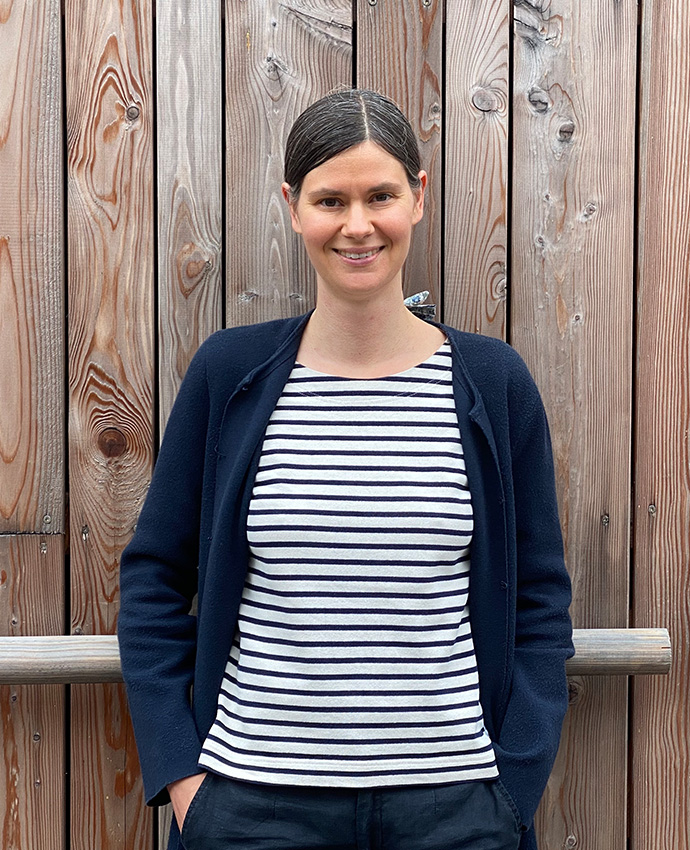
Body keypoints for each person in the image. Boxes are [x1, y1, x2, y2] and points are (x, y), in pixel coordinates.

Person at [118, 88, 573, 850]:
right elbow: (154, 577)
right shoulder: (229, 376)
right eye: (331, 200)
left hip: (455, 814)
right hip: (253, 809)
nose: (357, 225)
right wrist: (186, 783)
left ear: (418, 197)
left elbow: (539, 599)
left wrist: (512, 791)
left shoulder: (492, 385)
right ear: (293, 207)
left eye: (380, 196)